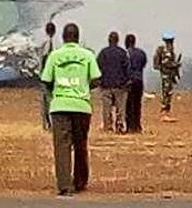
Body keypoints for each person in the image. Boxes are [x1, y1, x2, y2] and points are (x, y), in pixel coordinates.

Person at [40, 23, 101, 196]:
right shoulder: (87, 55)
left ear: (63, 37)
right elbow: (97, 79)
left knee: (62, 146)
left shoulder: (54, 56)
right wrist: (84, 88)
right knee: (81, 145)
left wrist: (56, 93)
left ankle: (65, 185)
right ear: (78, 37)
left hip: (60, 105)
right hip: (81, 105)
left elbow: (46, 80)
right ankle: (80, 181)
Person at [96, 31, 130, 133]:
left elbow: (98, 68)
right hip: (120, 85)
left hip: (106, 85)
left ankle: (108, 127)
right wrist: (126, 81)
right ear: (117, 40)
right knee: (120, 108)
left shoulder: (103, 53)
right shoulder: (122, 53)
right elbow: (127, 68)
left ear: (109, 40)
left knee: (107, 108)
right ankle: (119, 126)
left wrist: (99, 81)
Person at [153, 30, 182, 120]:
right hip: (166, 74)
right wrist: (175, 65)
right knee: (166, 92)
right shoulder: (165, 50)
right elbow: (165, 63)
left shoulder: (169, 50)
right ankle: (164, 110)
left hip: (169, 74)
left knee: (168, 92)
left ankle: (166, 109)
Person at [125, 34, 147, 133]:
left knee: (129, 104)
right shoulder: (141, 53)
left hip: (130, 81)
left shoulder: (126, 54)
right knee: (137, 104)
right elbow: (143, 64)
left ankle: (130, 126)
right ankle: (137, 125)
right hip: (139, 80)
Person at [39, 22, 57, 131]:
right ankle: (49, 123)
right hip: (53, 77)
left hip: (45, 77)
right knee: (51, 100)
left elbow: (41, 61)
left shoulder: (43, 44)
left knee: (45, 101)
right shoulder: (56, 44)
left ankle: (46, 124)